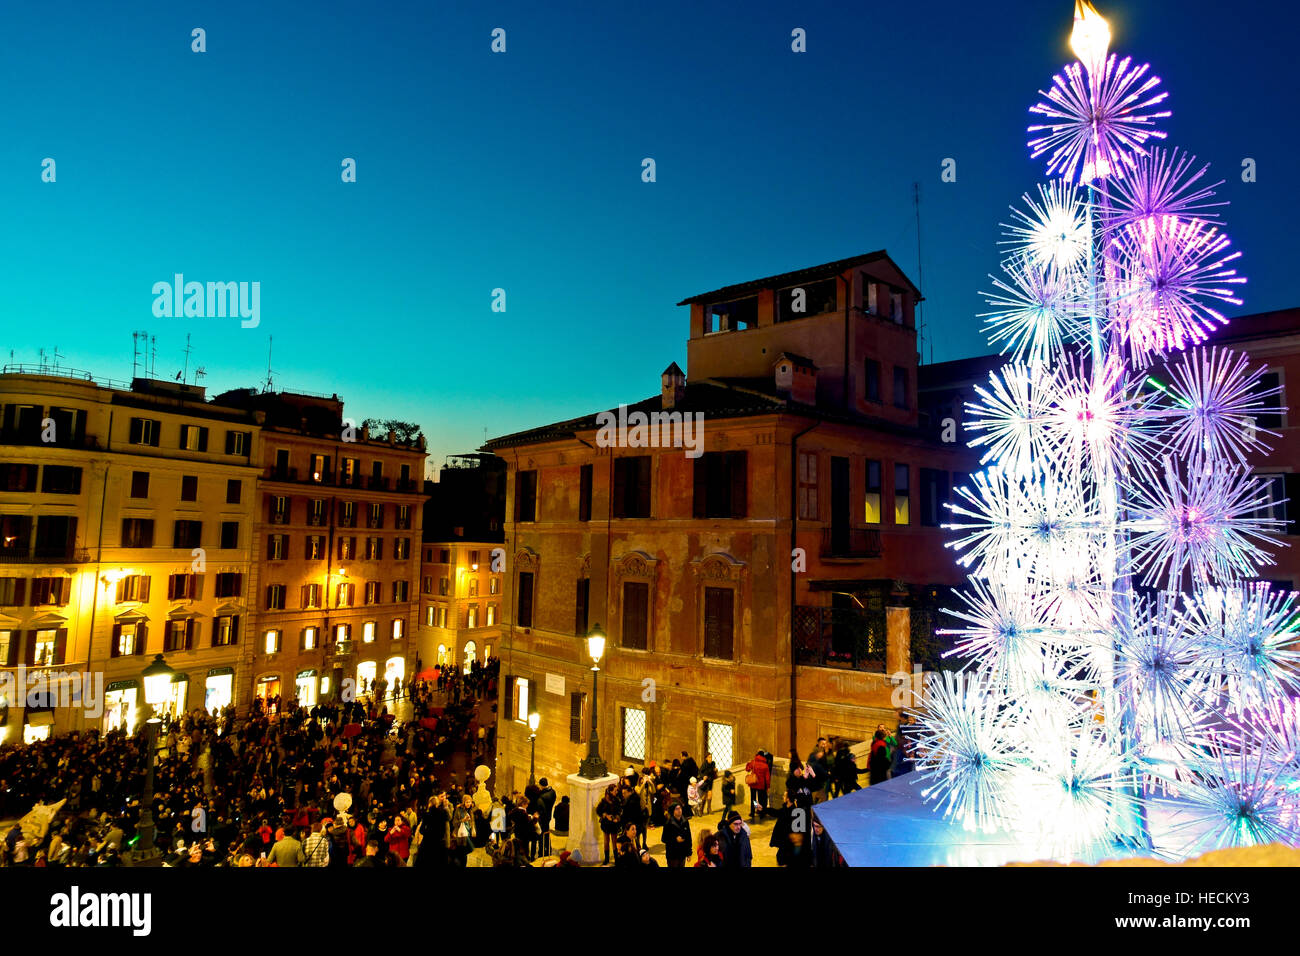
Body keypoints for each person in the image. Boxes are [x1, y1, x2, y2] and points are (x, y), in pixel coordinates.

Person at [596, 785, 621, 866]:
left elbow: (619, 810)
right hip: (606, 824)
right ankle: (606, 859)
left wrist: (616, 817)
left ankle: (616, 859)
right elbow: (598, 811)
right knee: (606, 842)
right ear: (610, 791)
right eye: (615, 791)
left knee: (614, 842)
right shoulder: (603, 801)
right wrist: (605, 815)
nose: (616, 792)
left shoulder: (616, 800)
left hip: (613, 824)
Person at [663, 802, 691, 868]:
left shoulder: (685, 821)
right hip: (672, 854)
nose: (679, 810)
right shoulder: (668, 823)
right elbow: (664, 838)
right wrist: (675, 839)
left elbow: (688, 837)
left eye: (680, 808)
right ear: (673, 811)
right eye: (677, 809)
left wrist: (689, 853)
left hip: (682, 853)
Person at [745, 750, 770, 821]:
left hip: (753, 783)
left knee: (753, 799)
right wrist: (768, 786)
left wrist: (748, 763)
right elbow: (767, 778)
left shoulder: (753, 762)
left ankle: (752, 812)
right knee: (761, 799)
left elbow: (747, 769)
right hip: (761, 785)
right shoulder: (765, 765)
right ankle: (761, 813)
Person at [536, 777, 557, 857]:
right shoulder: (552, 792)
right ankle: (548, 849)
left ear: (541, 785)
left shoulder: (542, 797)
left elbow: (540, 808)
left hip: (542, 817)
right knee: (547, 833)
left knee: (541, 834)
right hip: (548, 816)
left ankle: (541, 852)